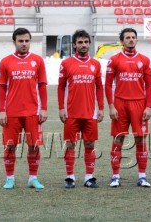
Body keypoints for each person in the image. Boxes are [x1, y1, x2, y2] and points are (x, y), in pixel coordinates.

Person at [0, 27, 48, 190]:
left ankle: (33, 178)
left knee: (34, 145)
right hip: (11, 112)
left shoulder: (38, 61)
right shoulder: (5, 62)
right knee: (10, 146)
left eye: (27, 41)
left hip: (33, 111)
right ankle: (10, 178)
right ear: (14, 42)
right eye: (21, 41)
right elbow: (2, 88)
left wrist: (44, 108)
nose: (24, 44)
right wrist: (1, 110)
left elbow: (42, 86)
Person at [105, 28, 151, 187]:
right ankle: (115, 176)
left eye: (133, 37)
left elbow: (149, 86)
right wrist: (111, 106)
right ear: (122, 41)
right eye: (127, 38)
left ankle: (142, 176)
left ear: (137, 40)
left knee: (140, 139)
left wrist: (148, 107)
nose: (131, 40)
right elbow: (107, 84)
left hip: (139, 104)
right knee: (118, 139)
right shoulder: (114, 60)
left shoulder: (144, 60)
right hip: (120, 104)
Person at [58, 30, 104, 189]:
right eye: (80, 42)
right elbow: (61, 87)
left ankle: (89, 177)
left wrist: (101, 108)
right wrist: (61, 108)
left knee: (89, 144)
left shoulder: (96, 64)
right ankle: (70, 177)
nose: (83, 45)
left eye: (86, 42)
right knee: (70, 144)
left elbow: (99, 87)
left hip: (90, 112)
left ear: (89, 44)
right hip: (71, 112)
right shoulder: (66, 63)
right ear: (74, 44)